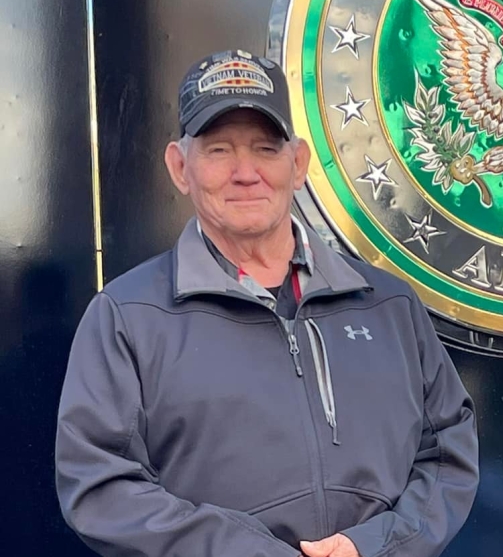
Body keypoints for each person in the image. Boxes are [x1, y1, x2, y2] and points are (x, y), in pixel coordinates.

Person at [55, 49, 479, 557]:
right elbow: (100, 487)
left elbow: (447, 449)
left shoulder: (388, 306)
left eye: (265, 148)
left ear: (297, 164)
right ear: (180, 167)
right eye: (219, 150)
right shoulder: (128, 317)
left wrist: (374, 547)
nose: (246, 172)